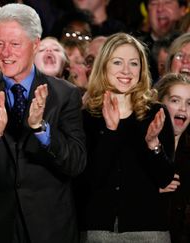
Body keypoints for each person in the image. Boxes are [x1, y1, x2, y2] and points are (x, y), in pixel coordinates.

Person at [0, 3, 86, 243]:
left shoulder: (65, 94)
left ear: (35, 44)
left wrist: (41, 129)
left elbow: (76, 163)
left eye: (15, 44)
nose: (6, 53)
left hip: (50, 227)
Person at [76, 32, 176, 242]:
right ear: (104, 66)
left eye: (133, 64)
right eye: (118, 62)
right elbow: (88, 181)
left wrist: (153, 144)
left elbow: (165, 178)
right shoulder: (87, 116)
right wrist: (111, 133)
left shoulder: (156, 113)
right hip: (98, 231)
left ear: (141, 70)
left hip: (149, 231)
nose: (126, 71)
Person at [154, 73, 190, 243]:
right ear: (160, 103)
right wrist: (150, 190)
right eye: (175, 100)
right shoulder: (141, 144)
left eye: (189, 103)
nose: (183, 109)